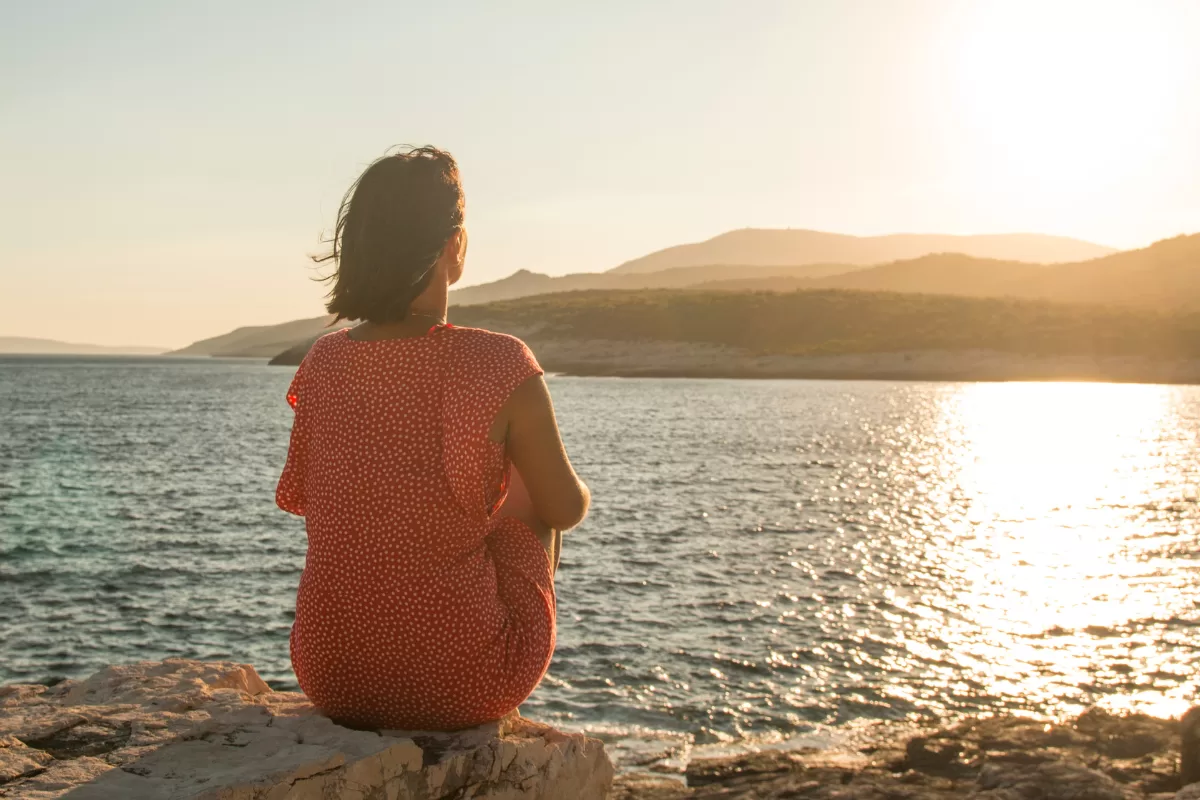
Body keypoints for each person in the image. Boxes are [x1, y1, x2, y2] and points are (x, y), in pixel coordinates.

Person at [275, 145, 590, 731]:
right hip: (465, 684)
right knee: (526, 502)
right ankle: (497, 697)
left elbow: (317, 503)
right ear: (456, 247)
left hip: (331, 678)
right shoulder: (498, 361)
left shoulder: (322, 361)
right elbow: (563, 509)